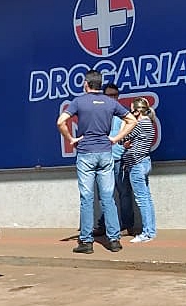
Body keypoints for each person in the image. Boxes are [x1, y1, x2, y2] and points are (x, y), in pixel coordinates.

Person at [57, 70, 136, 254]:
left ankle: (86, 242)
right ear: (100, 84)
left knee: (87, 198)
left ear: (86, 83)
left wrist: (71, 139)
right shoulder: (110, 102)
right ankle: (114, 240)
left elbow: (61, 121)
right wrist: (116, 138)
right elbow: (131, 120)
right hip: (105, 153)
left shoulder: (79, 101)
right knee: (108, 198)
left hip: (85, 153)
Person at [93, 83, 134, 237]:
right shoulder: (97, 113)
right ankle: (104, 225)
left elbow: (131, 134)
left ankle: (127, 225)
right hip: (102, 158)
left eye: (115, 95)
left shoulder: (123, 114)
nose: (113, 98)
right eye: (109, 95)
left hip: (119, 158)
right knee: (104, 195)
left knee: (124, 193)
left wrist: (124, 152)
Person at [122, 97, 158, 243]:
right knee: (146, 198)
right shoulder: (148, 123)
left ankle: (147, 233)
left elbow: (122, 137)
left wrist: (125, 140)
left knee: (142, 199)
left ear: (137, 111)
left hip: (137, 164)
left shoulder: (140, 124)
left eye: (132, 110)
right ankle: (151, 231)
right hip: (144, 162)